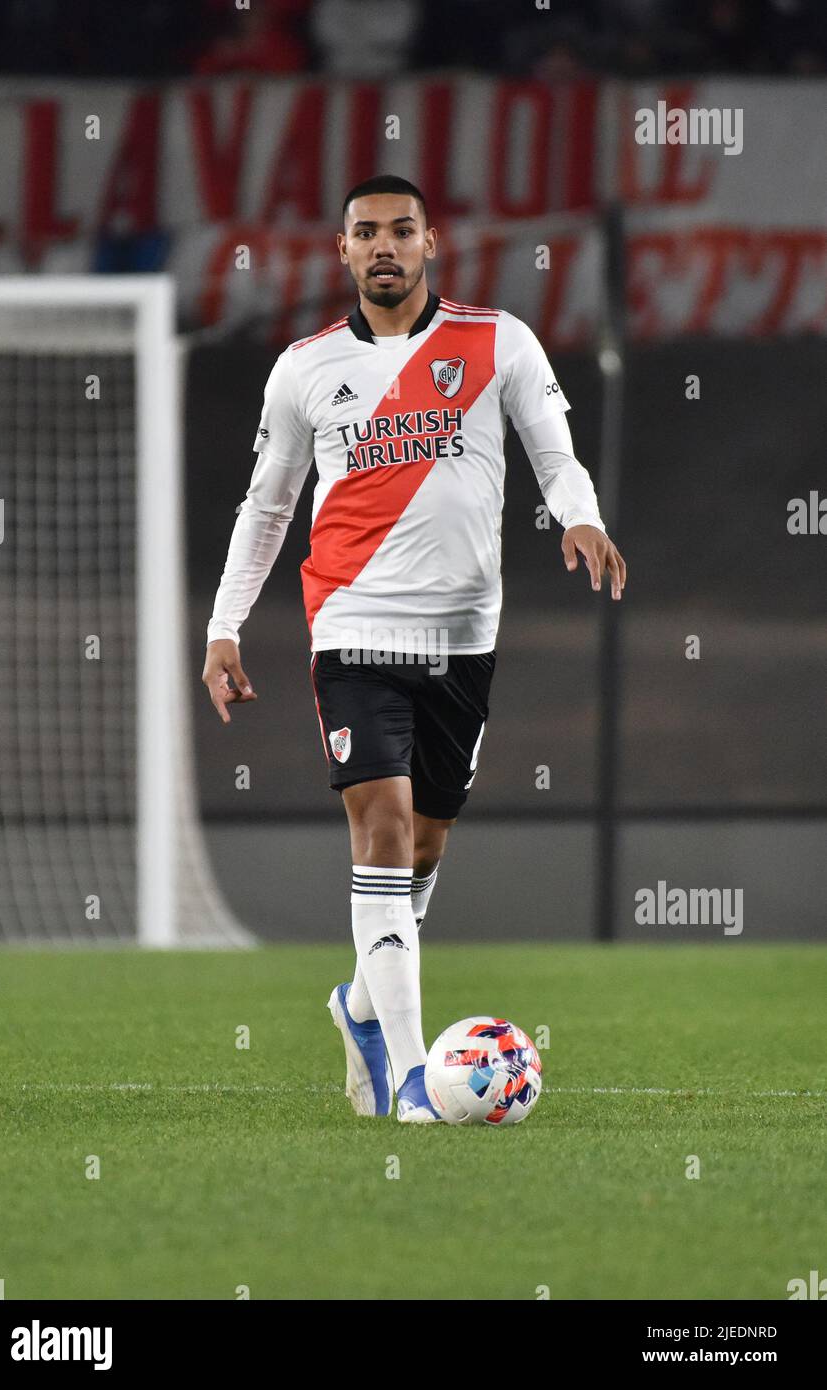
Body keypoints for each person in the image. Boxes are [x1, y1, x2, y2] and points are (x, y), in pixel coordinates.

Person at [203, 174, 626, 1123]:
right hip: (352, 628)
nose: (384, 246)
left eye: (401, 230)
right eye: (366, 233)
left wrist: (580, 517)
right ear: (341, 251)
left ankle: (358, 1008)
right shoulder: (304, 370)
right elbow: (267, 506)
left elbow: (552, 450)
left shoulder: (496, 341)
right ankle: (407, 1083)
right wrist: (224, 625)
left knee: (425, 843)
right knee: (382, 831)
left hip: (464, 641)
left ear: (431, 241)